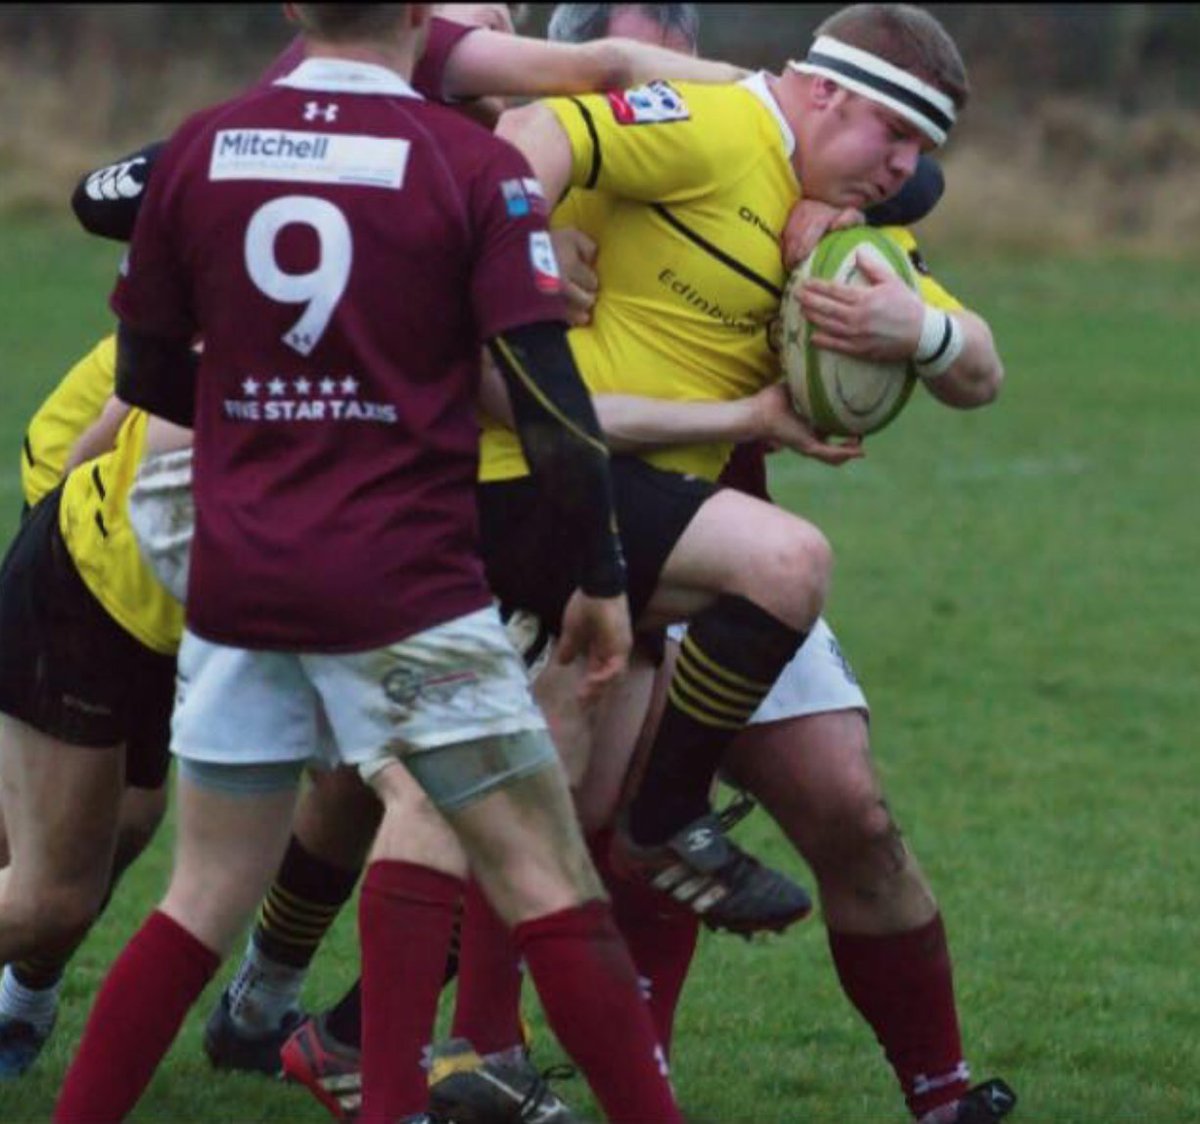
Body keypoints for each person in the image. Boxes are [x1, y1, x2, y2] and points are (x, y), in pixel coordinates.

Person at [52, 6, 685, 1124]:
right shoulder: (470, 164)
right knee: (546, 874)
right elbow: (548, 402)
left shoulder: (201, 147)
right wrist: (599, 572)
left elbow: (149, 374)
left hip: (243, 579)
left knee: (199, 898)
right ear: (417, 19)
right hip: (406, 583)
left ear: (294, 9)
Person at [478, 0, 968, 939]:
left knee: (555, 807)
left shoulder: (829, 205)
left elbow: (978, 362)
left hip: (631, 500)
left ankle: (404, 1044)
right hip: (525, 478)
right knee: (789, 563)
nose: (906, 163)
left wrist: (926, 329)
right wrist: (517, 254)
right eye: (896, 134)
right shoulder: (708, 127)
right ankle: (667, 819)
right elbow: (535, 127)